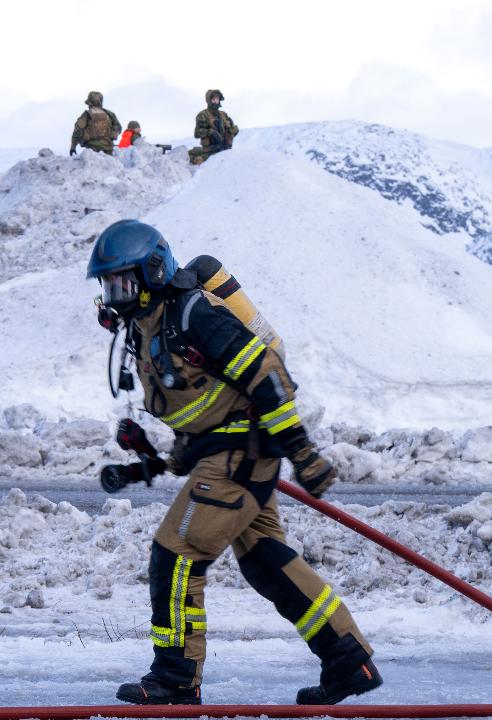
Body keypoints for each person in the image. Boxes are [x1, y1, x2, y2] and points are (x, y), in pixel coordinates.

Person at [87, 219, 382, 706]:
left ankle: (176, 678)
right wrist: (148, 461)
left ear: (153, 272)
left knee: (176, 554)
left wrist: (302, 452)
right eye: (108, 285)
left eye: (122, 282)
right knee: (266, 562)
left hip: (240, 457)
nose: (114, 295)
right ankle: (350, 661)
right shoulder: (148, 328)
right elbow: (197, 409)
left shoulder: (193, 313)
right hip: (225, 456)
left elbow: (265, 373)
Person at [188, 89, 239, 165]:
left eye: (217, 99)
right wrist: (210, 132)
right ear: (209, 100)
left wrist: (232, 131)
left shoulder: (223, 114)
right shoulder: (203, 115)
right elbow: (197, 133)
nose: (216, 101)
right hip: (210, 151)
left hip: (225, 149)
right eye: (213, 99)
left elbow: (231, 129)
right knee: (200, 161)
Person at [69, 91, 121, 156]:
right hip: (108, 148)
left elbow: (77, 131)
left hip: (92, 149)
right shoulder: (110, 114)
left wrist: (73, 147)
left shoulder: (86, 114)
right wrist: (111, 136)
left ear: (90, 103)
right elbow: (118, 127)